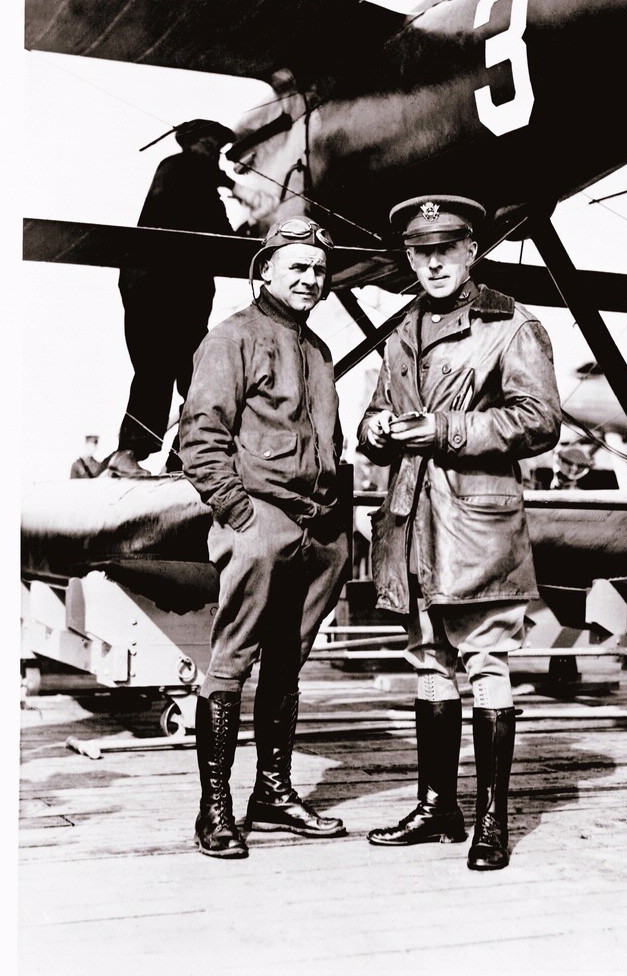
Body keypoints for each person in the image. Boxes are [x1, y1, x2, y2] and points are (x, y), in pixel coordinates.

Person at [357, 195, 561, 871]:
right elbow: (373, 414)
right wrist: (375, 432)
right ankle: (436, 806)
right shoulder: (400, 329)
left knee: (485, 663)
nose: (435, 261)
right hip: (412, 520)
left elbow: (537, 421)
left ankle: (492, 821)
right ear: (409, 258)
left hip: (475, 523)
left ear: (472, 250)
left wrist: (444, 429)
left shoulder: (509, 324)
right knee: (428, 661)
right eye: (422, 251)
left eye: (447, 248)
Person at [179, 217, 350, 858]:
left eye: (318, 270)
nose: (309, 278)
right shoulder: (231, 338)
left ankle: (273, 794)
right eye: (296, 267)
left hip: (320, 527)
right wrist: (239, 513)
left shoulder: (318, 349)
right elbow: (200, 435)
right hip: (261, 519)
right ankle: (215, 808)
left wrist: (337, 523)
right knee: (231, 663)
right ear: (265, 271)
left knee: (288, 661)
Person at [105, 119, 238, 478]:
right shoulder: (177, 169)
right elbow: (199, 215)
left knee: (200, 377)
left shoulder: (199, 184)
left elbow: (224, 238)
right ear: (190, 144)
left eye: (217, 150)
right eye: (210, 147)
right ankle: (128, 452)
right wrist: (232, 187)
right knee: (156, 371)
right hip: (157, 292)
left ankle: (185, 455)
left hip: (183, 299)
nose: (215, 156)